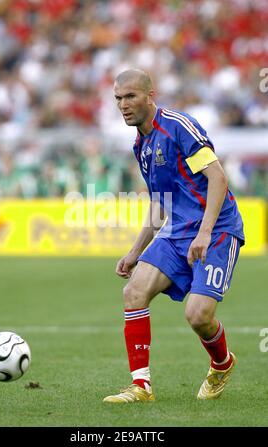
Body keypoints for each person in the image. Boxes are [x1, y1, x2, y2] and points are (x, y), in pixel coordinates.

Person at [103, 69, 245, 403]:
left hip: (218, 229)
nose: (123, 105)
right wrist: (135, 251)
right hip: (177, 232)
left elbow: (218, 178)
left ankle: (221, 364)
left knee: (198, 316)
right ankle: (141, 387)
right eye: (118, 99)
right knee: (134, 291)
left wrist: (205, 233)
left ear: (150, 96)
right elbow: (160, 203)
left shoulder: (179, 127)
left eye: (131, 97)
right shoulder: (141, 146)